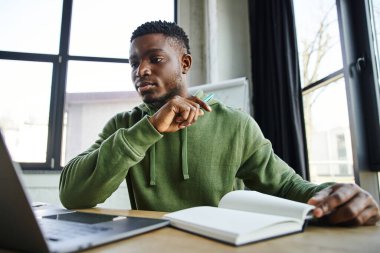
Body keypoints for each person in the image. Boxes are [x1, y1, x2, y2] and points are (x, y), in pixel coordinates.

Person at [59, 20, 380, 226]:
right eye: (134, 63)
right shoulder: (124, 126)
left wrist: (335, 195)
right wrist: (150, 129)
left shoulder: (236, 125)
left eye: (154, 59)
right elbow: (73, 195)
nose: (140, 70)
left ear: (184, 63)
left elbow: (288, 187)